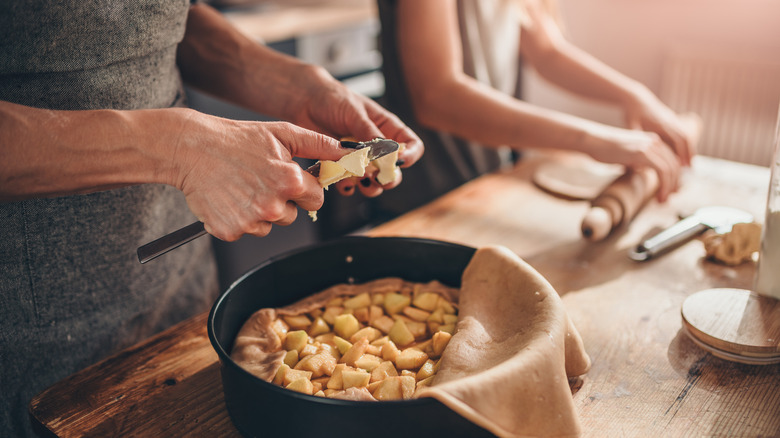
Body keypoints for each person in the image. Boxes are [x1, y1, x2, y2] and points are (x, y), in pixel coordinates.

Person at [0, 1, 422, 436]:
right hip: (34, 330)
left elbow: (149, 19)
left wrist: (299, 87)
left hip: (180, 283)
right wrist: (178, 147)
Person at [373, 0, 696, 217]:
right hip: (422, 197)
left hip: (485, 186)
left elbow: (546, 52)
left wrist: (635, 97)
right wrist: (595, 139)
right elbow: (437, 96)